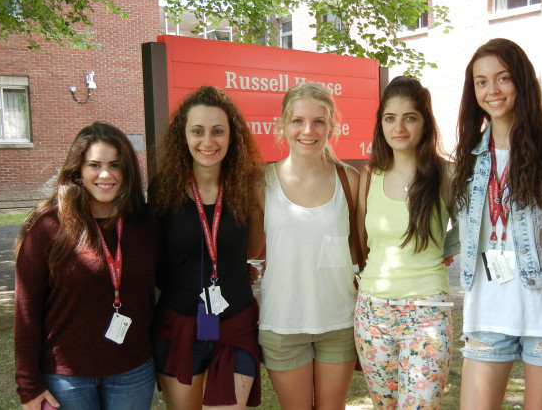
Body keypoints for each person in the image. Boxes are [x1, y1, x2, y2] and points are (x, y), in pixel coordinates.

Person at [451, 38, 542, 409]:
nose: (492, 90)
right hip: (487, 308)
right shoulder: (470, 154)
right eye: (481, 81)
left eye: (502, 78)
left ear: (522, 81)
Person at [13, 122, 156, 410]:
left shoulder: (145, 224)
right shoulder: (48, 226)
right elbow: (26, 310)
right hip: (67, 378)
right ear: (78, 169)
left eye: (115, 165)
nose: (106, 174)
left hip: (132, 371)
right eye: (94, 165)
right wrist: (28, 385)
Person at [150, 86, 264, 410]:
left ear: (232, 136)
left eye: (218, 131)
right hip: (179, 327)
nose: (208, 141)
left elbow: (255, 248)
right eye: (197, 131)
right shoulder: (164, 189)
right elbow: (156, 261)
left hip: (235, 325)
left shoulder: (248, 186)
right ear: (183, 136)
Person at [255, 82, 359, 409]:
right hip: (282, 323)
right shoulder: (261, 182)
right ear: (283, 125)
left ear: (331, 127)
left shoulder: (350, 180)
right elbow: (250, 250)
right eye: (298, 121)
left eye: (318, 121)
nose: (307, 130)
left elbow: (366, 246)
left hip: (339, 322)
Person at [355, 76, 454, 409]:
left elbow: (471, 230)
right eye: (390, 118)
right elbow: (362, 241)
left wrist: (448, 248)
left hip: (427, 312)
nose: (398, 127)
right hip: (373, 313)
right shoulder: (370, 175)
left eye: (409, 117)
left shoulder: (446, 174)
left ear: (425, 123)